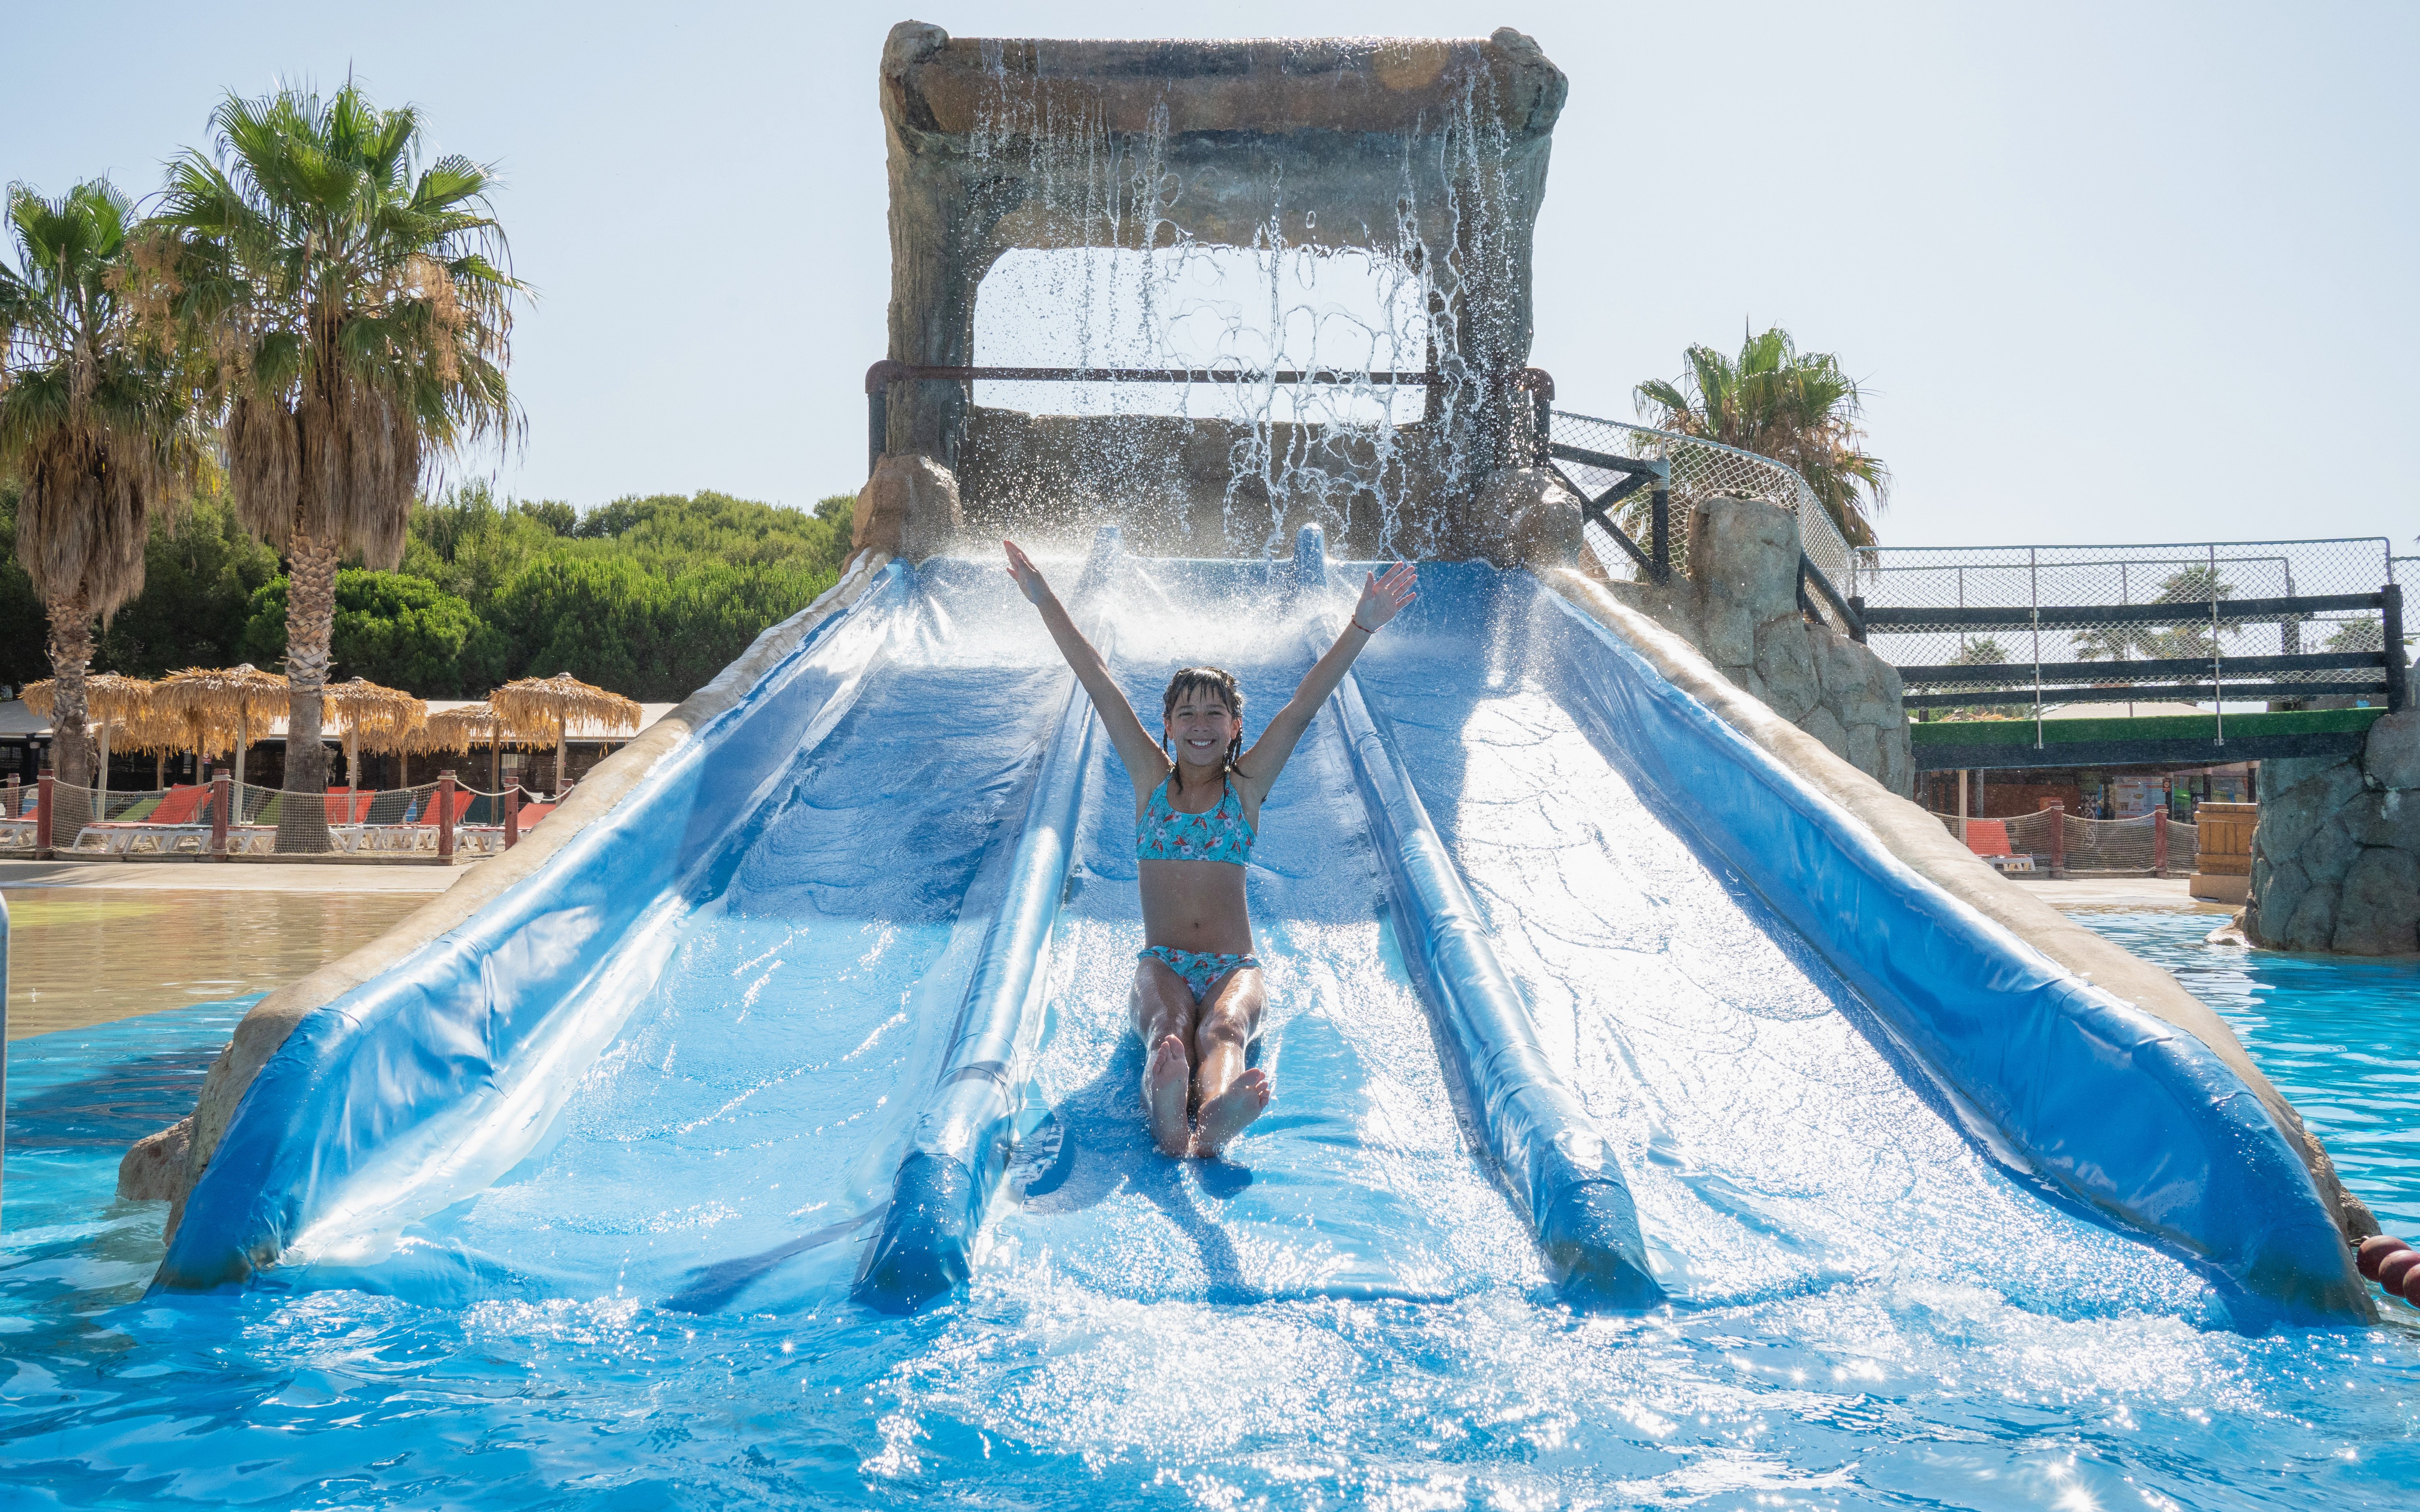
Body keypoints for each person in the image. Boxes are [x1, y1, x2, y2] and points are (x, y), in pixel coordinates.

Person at [1002, 539, 1419, 1157]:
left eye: (1215, 713)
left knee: (1225, 1028)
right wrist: (1045, 600)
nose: (1201, 724)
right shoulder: (1151, 783)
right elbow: (1097, 680)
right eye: (1188, 713)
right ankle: (1171, 1119)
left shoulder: (1244, 792)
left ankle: (1217, 1114)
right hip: (1163, 961)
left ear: (1235, 728)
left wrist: (1362, 625)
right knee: (1168, 1034)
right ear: (1166, 726)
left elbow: (1304, 707)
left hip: (1234, 966)